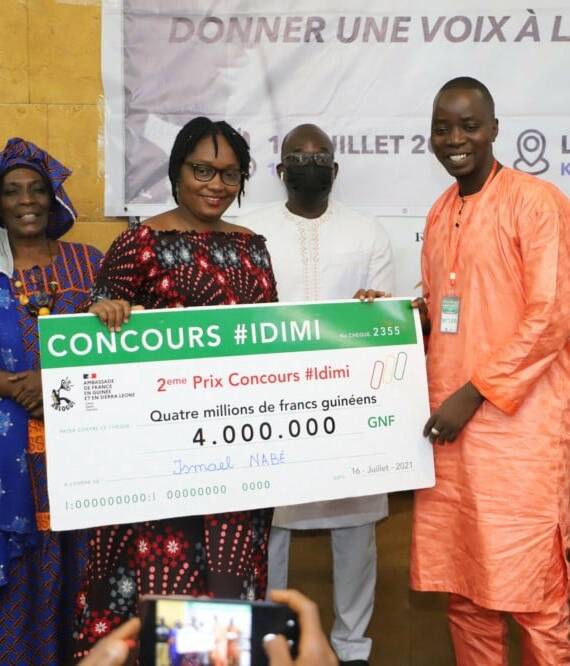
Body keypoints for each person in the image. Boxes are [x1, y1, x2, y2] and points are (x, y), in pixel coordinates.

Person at [73, 117, 277, 659]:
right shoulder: (139, 242)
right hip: (160, 467)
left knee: (228, 602)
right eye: (202, 170)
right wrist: (104, 312)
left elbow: (274, 342)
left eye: (230, 174)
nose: (216, 184)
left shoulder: (253, 248)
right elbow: (92, 325)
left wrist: (365, 317)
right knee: (157, 593)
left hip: (236, 460)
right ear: (176, 171)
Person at [410, 77, 570, 664]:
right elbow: (448, 308)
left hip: (519, 435)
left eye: (469, 126)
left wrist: (474, 392)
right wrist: (398, 317)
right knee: (466, 591)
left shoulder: (537, 201)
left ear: (495, 130)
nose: (454, 139)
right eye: (442, 128)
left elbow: (552, 316)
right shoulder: (439, 211)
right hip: (452, 436)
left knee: (537, 596)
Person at [239, 124, 394, 666]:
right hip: (272, 399)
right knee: (269, 527)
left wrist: (375, 305)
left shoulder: (367, 230)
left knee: (356, 529)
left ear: (335, 168)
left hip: (346, 401)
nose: (310, 164)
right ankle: (271, 642)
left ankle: (353, 647)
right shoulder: (249, 230)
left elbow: (384, 317)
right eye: (298, 157)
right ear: (280, 169)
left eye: (320, 156)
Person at [0, 137, 103, 664]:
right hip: (8, 461)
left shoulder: (89, 264)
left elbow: (123, 349)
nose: (27, 200)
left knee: (79, 572)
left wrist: (56, 379)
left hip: (80, 455)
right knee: (18, 581)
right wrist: (9, 383)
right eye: (12, 191)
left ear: (53, 197)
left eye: (37, 189)